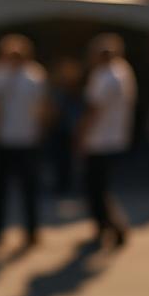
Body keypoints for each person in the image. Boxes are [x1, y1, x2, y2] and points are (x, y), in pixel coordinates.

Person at [0, 34, 48, 247]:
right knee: (0, 190)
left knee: (27, 190)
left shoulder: (33, 75)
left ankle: (30, 231)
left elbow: (40, 107)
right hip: (6, 139)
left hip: (24, 139)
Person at [77, 33, 136, 247]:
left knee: (96, 188)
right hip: (115, 137)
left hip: (99, 139)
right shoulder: (123, 71)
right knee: (101, 186)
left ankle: (109, 228)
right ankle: (111, 227)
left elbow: (94, 110)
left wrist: (81, 136)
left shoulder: (103, 76)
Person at [46, 57, 84, 197]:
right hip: (59, 130)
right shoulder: (57, 90)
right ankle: (62, 183)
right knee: (59, 159)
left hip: (71, 129)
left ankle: (69, 183)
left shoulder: (77, 92)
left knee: (70, 159)